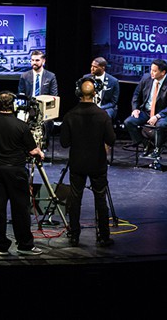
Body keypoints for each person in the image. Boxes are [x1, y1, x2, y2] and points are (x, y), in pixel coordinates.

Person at [0, 91, 45, 256]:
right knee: (20, 209)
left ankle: (2, 246)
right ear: (14, 106)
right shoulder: (21, 126)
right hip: (16, 172)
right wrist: (40, 153)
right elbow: (33, 150)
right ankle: (24, 245)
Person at [60, 77, 116, 247]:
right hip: (97, 163)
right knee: (100, 199)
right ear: (95, 94)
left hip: (77, 163)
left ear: (78, 93)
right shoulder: (103, 115)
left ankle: (75, 235)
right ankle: (104, 236)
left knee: (75, 200)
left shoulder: (70, 115)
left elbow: (64, 143)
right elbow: (111, 140)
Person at [124, 59, 167, 158]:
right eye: (151, 70)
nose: (151, 73)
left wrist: (157, 116)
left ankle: (158, 149)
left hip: (164, 114)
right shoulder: (146, 78)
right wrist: (135, 109)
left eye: (154, 71)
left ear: (163, 72)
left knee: (161, 125)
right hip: (147, 111)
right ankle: (146, 145)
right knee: (129, 122)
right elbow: (136, 94)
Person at [18, 50, 58, 148]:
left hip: (44, 109)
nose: (34, 63)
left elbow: (54, 96)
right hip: (28, 108)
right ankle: (26, 147)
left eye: (37, 60)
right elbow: (21, 95)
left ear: (43, 61)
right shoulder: (24, 76)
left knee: (47, 122)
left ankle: (43, 146)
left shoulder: (51, 76)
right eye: (32, 60)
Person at [86, 57, 120, 121]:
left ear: (103, 68)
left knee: (102, 117)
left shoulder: (113, 81)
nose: (92, 69)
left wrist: (99, 108)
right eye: (91, 66)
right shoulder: (86, 78)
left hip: (106, 107)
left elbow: (113, 102)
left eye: (95, 67)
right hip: (89, 106)